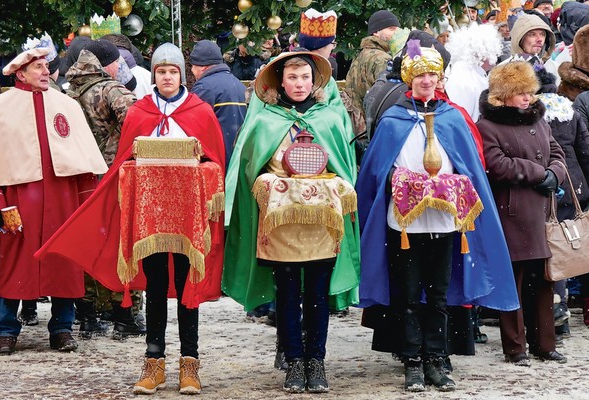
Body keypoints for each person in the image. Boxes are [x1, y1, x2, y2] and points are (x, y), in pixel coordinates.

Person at [36, 43, 225, 395]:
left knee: (187, 289)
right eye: (161, 72)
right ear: (152, 74)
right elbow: (124, 162)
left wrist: (207, 167)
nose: (167, 77)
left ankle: (190, 364)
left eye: (173, 72)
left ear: (182, 75)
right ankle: (153, 364)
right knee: (154, 288)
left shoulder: (200, 112)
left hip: (187, 219)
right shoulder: (140, 112)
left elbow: (214, 162)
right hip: (150, 217)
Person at [357, 41, 519, 392]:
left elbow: (470, 168)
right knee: (411, 295)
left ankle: (437, 357)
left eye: (432, 74)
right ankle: (413, 359)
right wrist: (401, 182)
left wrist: (454, 186)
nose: (427, 80)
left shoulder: (452, 118)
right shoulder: (393, 119)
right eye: (420, 74)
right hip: (405, 223)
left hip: (446, 223)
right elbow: (375, 173)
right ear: (409, 78)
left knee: (440, 295)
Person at [223, 51, 360, 393]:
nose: (299, 85)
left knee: (316, 291)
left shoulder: (329, 117)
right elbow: (251, 170)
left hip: (321, 226)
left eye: (304, 78)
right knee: (286, 292)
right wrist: (271, 184)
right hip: (282, 224)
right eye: (292, 78)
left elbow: (344, 165)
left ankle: (317, 360)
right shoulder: (265, 120)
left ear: (314, 82)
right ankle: (294, 361)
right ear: (280, 82)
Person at [0, 47, 108, 354]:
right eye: (40, 67)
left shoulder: (67, 106)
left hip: (63, 200)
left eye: (47, 66)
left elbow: (83, 161)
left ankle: (61, 329)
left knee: (64, 263)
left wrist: (87, 202)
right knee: (12, 266)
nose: (47, 71)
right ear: (21, 73)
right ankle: (6, 330)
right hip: (17, 203)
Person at [477, 60, 567, 366]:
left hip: (541, 212)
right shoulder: (488, 125)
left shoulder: (538, 120)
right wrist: (537, 173)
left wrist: (555, 173)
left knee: (544, 281)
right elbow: (496, 163)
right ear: (503, 95)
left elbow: (557, 152)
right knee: (511, 283)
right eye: (519, 92)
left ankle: (545, 344)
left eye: (529, 91)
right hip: (512, 214)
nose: (527, 97)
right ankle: (515, 347)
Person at [65, 39, 142, 339]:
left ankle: (87, 313)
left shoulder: (66, 93)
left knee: (88, 243)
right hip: (114, 177)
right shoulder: (111, 90)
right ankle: (125, 313)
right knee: (121, 243)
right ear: (105, 63)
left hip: (81, 180)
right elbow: (138, 125)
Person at [189, 39, 246, 165]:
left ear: (202, 66)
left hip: (216, 160)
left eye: (193, 66)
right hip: (238, 159)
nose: (192, 71)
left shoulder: (204, 88)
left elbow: (192, 126)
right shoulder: (239, 85)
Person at [344, 9, 401, 123]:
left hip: (357, 125)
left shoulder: (361, 54)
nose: (396, 33)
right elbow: (385, 98)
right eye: (391, 29)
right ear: (376, 32)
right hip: (372, 125)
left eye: (398, 30)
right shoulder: (382, 59)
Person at [445, 23, 503, 122]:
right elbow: (460, 119)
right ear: (484, 51)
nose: (496, 54)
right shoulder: (463, 78)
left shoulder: (475, 74)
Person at [509, 13, 559, 84]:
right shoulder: (502, 70)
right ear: (519, 38)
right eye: (532, 34)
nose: (539, 39)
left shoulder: (554, 67)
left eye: (542, 34)